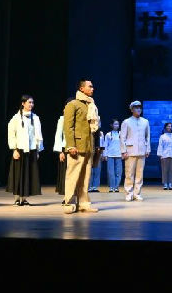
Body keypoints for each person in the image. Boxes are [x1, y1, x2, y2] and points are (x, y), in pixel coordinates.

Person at [63, 79, 100, 214]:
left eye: (92, 86)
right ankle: (69, 203)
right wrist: (70, 146)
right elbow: (68, 127)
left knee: (85, 178)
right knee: (73, 176)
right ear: (82, 88)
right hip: (77, 147)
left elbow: (94, 128)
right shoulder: (73, 104)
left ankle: (84, 203)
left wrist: (96, 146)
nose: (92, 88)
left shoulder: (91, 105)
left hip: (88, 146)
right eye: (90, 86)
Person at [6, 94, 43, 206]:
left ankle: (25, 198)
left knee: (29, 174)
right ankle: (17, 198)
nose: (31, 104)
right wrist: (14, 149)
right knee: (18, 174)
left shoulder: (35, 118)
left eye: (32, 102)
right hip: (20, 150)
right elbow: (11, 134)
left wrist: (38, 150)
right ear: (23, 103)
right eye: (29, 102)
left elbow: (38, 135)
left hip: (31, 150)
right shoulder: (16, 118)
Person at [121, 100, 150, 202]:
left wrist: (148, 149)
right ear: (132, 109)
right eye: (136, 108)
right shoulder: (126, 122)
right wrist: (123, 151)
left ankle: (137, 193)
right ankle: (129, 193)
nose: (138, 109)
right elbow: (122, 137)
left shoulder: (145, 122)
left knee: (139, 174)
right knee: (129, 174)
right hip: (130, 151)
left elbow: (147, 137)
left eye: (139, 108)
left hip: (142, 150)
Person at [53, 98, 71, 201]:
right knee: (65, 173)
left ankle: (75, 196)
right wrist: (60, 151)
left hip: (77, 149)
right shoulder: (62, 119)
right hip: (65, 148)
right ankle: (66, 196)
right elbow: (58, 135)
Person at [156, 122, 172, 190]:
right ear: (165, 127)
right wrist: (160, 154)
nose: (169, 127)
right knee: (164, 170)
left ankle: (170, 183)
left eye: (170, 126)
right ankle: (165, 184)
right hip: (164, 155)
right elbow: (160, 145)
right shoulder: (162, 136)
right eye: (168, 126)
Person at [102, 119, 123, 193]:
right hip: (110, 155)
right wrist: (105, 154)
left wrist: (123, 153)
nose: (117, 125)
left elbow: (123, 144)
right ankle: (111, 187)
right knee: (111, 172)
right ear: (111, 125)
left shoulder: (121, 134)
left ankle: (116, 187)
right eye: (115, 124)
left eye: (118, 124)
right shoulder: (108, 134)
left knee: (118, 172)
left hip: (119, 155)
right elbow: (105, 145)